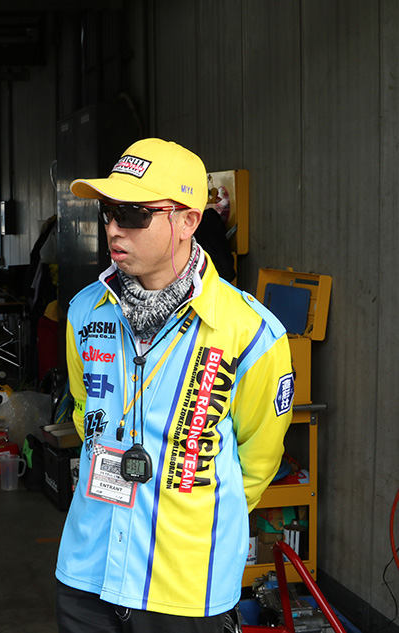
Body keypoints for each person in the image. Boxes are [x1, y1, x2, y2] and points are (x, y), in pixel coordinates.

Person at [55, 138, 293, 632]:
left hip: (186, 586)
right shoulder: (83, 312)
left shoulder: (251, 334)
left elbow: (257, 461)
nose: (113, 228)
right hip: (87, 570)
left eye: (133, 214)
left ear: (187, 221)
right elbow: (84, 412)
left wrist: (184, 504)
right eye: (108, 212)